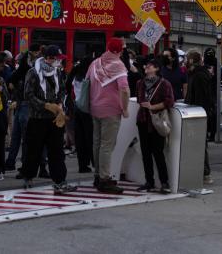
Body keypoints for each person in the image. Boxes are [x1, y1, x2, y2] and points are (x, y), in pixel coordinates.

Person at [21, 45, 75, 195]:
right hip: (37, 118)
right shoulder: (33, 73)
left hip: (54, 119)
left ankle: (59, 181)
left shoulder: (57, 72)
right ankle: (28, 176)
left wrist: (59, 105)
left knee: (57, 152)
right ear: (49, 58)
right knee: (33, 150)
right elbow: (28, 95)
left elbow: (63, 91)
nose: (59, 62)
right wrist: (45, 105)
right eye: (57, 59)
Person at [86, 38, 130, 194]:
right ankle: (105, 179)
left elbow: (87, 82)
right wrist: (125, 108)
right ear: (119, 51)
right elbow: (124, 89)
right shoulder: (118, 66)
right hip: (111, 111)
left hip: (95, 108)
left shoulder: (95, 63)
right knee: (107, 145)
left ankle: (98, 175)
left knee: (97, 143)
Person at [136, 59, 174, 193]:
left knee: (158, 152)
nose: (146, 68)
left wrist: (152, 106)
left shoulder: (164, 84)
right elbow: (139, 100)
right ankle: (149, 181)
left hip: (157, 121)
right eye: (146, 66)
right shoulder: (140, 83)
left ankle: (164, 182)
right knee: (145, 153)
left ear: (156, 68)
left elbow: (169, 101)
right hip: (143, 120)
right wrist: (144, 105)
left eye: (150, 66)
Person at [6, 44, 41, 176]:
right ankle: (25, 165)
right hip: (27, 105)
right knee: (26, 138)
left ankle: (10, 162)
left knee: (16, 135)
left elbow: (11, 82)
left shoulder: (20, 71)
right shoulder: (32, 70)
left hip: (20, 104)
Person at [184, 50, 214, 184]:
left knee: (200, 144)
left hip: (199, 114)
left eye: (186, 58)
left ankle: (205, 173)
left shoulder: (199, 76)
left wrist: (198, 113)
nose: (184, 60)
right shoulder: (194, 74)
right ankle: (200, 171)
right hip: (196, 112)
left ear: (191, 60)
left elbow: (202, 99)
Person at [66, 56, 94, 174]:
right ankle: (93, 162)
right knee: (90, 138)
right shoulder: (89, 76)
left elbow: (68, 88)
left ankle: (82, 165)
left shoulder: (75, 74)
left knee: (79, 138)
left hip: (76, 108)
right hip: (88, 109)